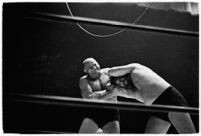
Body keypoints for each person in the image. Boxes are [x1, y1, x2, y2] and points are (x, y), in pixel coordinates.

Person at [108, 63, 196, 133]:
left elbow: (111, 71)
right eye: (119, 82)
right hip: (158, 109)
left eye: (119, 78)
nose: (121, 81)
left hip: (171, 100)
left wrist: (100, 72)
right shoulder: (132, 92)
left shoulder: (135, 69)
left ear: (121, 74)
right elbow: (110, 92)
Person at [78, 58, 120, 133]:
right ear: (85, 71)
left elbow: (118, 89)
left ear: (98, 64)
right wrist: (109, 92)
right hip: (93, 113)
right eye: (90, 67)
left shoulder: (109, 73)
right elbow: (89, 99)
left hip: (111, 112)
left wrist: (99, 94)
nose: (94, 67)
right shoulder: (84, 80)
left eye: (95, 64)